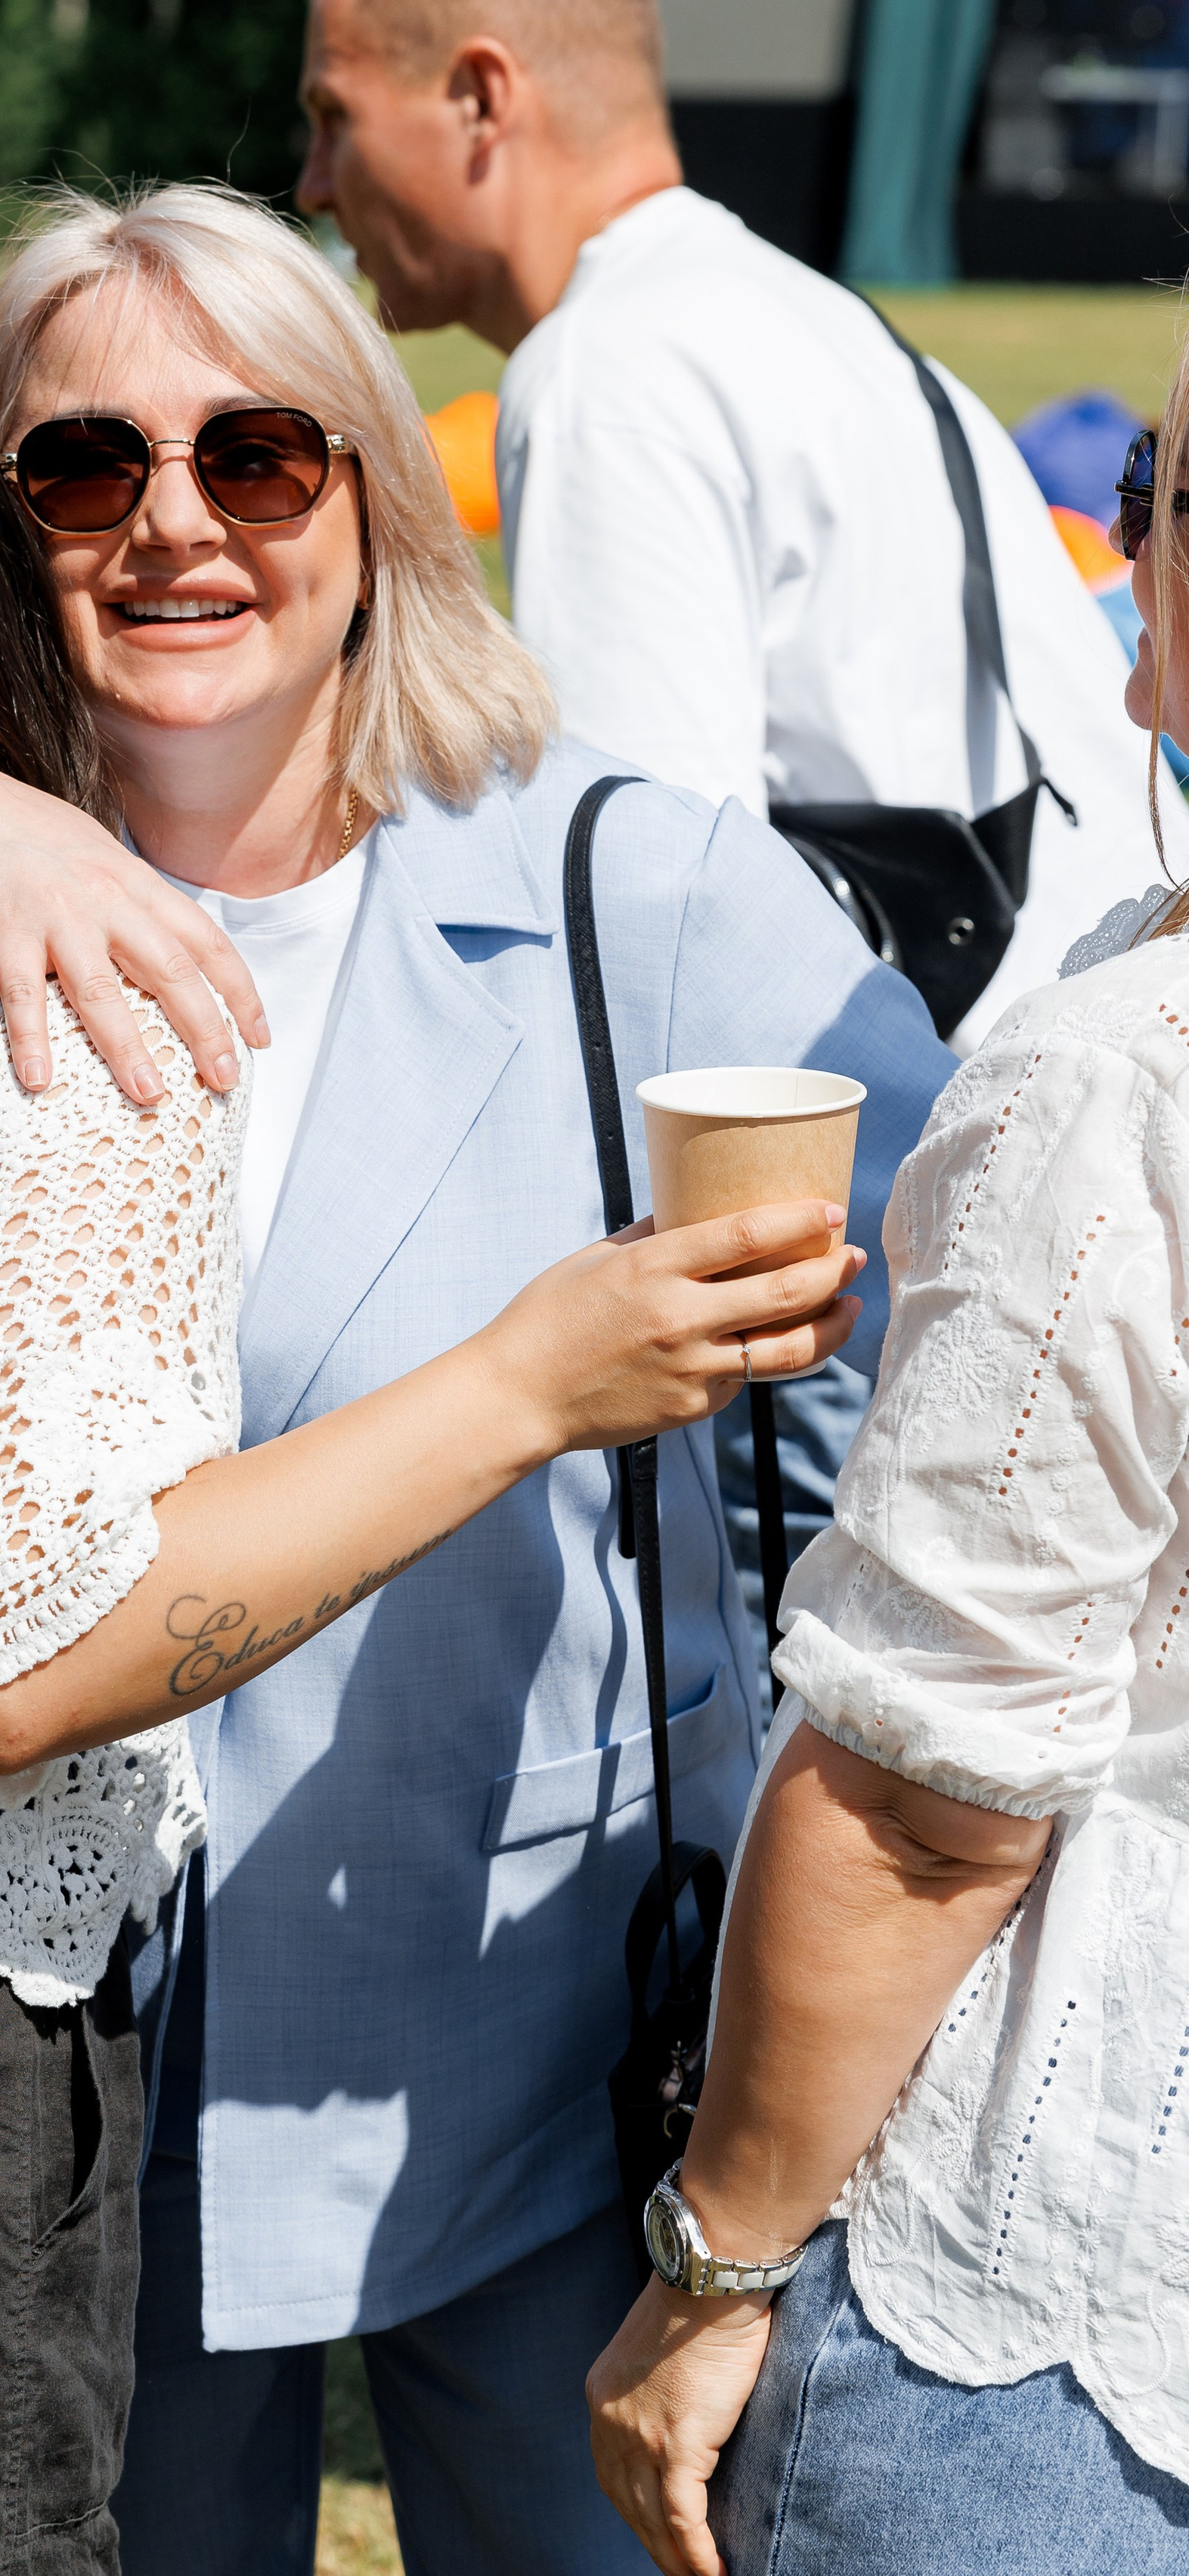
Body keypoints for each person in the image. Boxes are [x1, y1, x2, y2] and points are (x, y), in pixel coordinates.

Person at [0, 187, 950, 2576]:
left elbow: (905, 1480)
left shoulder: (649, 890)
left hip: (516, 2048)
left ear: (376, 501)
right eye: (80, 468)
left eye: (264, 455)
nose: (177, 522)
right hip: (22, 2057)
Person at [584, 395, 1189, 2574]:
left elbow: (932, 1798)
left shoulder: (1119, 1087)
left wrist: (715, 2267)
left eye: (1164, 504)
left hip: (1060, 2326)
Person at [296, 0, 1184, 1057]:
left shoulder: (608, 371)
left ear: (477, 97)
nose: (311, 183)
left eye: (334, 118)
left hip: (977, 1131)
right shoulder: (807, 316)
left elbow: (647, 920)